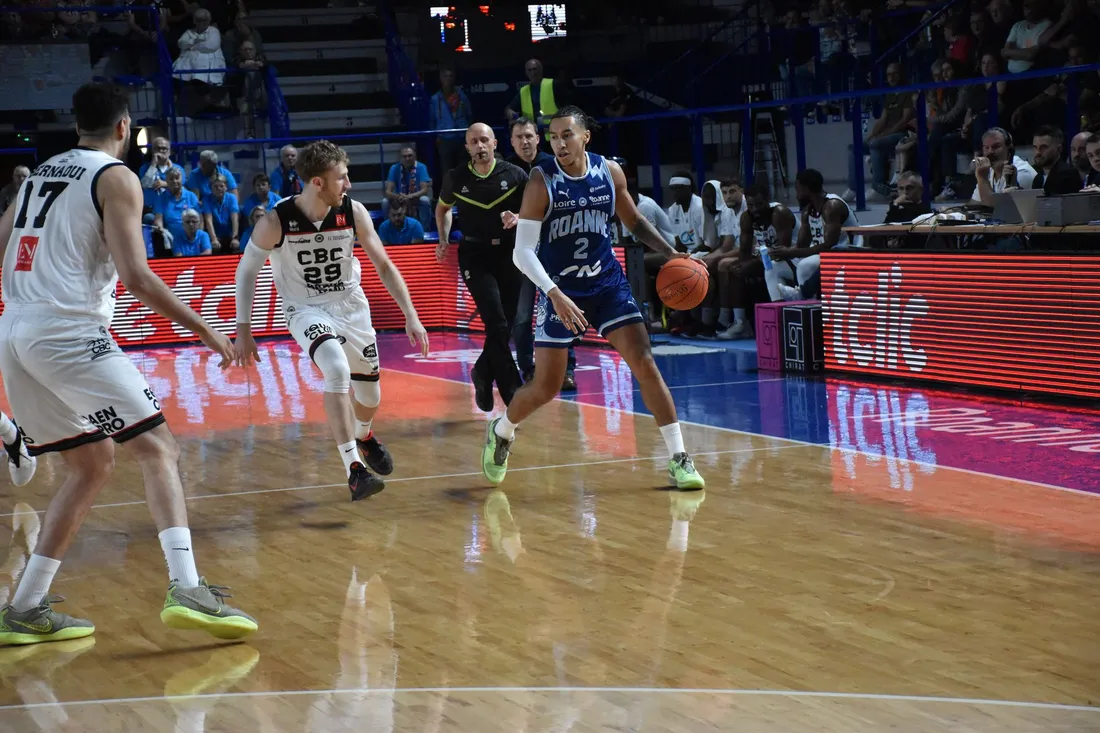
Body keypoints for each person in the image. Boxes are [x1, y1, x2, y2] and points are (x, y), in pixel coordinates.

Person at [0, 81, 257, 646]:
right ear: (124, 128)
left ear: (77, 125)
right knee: (159, 448)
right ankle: (187, 587)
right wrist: (211, 331)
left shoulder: (38, 175)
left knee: (91, 464)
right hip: (68, 330)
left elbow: (3, 249)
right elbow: (138, 277)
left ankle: (24, 607)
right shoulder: (115, 177)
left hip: (15, 330)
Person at [480, 106, 705, 491]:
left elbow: (634, 222)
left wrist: (672, 254)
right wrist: (555, 294)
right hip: (561, 290)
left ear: (585, 136)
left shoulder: (609, 172)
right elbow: (522, 252)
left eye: (567, 134)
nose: (559, 142)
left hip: (607, 286)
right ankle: (502, 431)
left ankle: (679, 458)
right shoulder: (541, 180)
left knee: (645, 362)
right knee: (546, 388)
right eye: (553, 136)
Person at [234, 140, 430, 501]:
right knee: (336, 370)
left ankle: (364, 434)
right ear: (317, 183)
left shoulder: (352, 213)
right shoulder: (277, 220)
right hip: (304, 309)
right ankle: (354, 469)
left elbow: (383, 264)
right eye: (341, 177)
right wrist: (243, 329)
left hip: (351, 305)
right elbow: (246, 271)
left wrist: (411, 314)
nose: (349, 184)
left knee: (370, 395)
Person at [435, 123, 529, 411]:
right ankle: (512, 388)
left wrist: (519, 216)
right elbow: (442, 209)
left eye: (484, 140)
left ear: (494, 143)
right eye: (473, 141)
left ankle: (482, 372)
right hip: (475, 254)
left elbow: (535, 207)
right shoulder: (455, 178)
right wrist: (443, 238)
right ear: (467, 147)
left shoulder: (515, 175)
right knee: (496, 322)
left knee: (508, 324)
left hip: (510, 253)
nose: (479, 145)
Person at [506, 117, 575, 388]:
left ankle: (567, 370)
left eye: (529, 136)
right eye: (519, 137)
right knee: (522, 318)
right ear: (512, 142)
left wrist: (521, 215)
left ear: (538, 138)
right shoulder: (506, 171)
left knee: (563, 311)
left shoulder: (554, 165)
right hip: (523, 256)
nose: (524, 141)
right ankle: (529, 369)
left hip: (554, 252)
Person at [770, 168, 862, 300]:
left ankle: (805, 303)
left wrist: (791, 253)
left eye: (797, 190)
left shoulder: (832, 206)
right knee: (773, 267)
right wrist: (783, 251)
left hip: (847, 252)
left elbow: (829, 247)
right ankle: (777, 313)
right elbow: (802, 245)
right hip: (821, 255)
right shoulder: (809, 210)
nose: (796, 196)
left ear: (806, 189)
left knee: (805, 265)